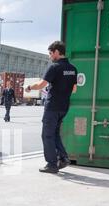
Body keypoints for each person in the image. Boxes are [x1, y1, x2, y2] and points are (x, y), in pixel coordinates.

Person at [26, 41, 77, 174]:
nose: (49, 56)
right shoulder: (73, 69)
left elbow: (41, 85)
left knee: (47, 135)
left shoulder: (54, 67)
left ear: (56, 52)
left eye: (50, 53)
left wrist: (30, 87)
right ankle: (63, 157)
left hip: (52, 106)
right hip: (64, 107)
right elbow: (74, 89)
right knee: (55, 134)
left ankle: (52, 164)